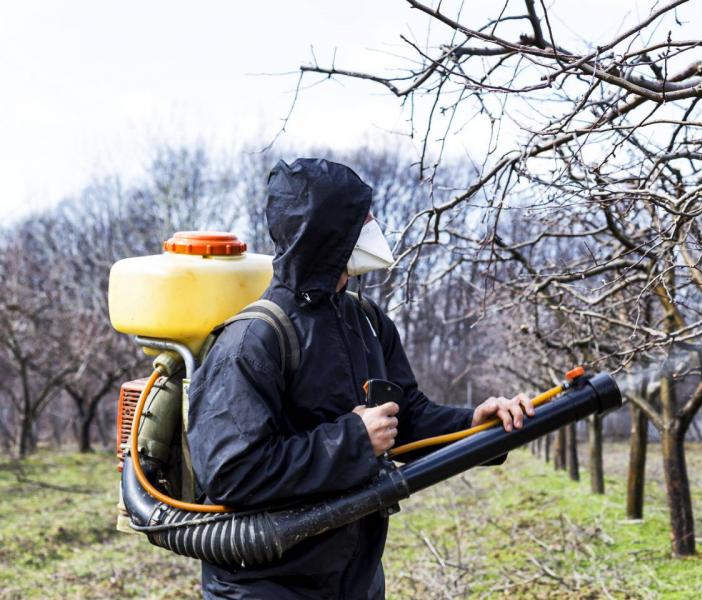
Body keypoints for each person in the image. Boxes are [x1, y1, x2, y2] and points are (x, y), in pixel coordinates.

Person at [187, 158, 533, 599]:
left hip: (354, 580)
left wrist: (476, 425)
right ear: (327, 232)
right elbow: (232, 473)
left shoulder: (368, 321)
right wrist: (353, 438)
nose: (373, 226)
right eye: (362, 218)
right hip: (264, 586)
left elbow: (405, 419)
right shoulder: (253, 340)